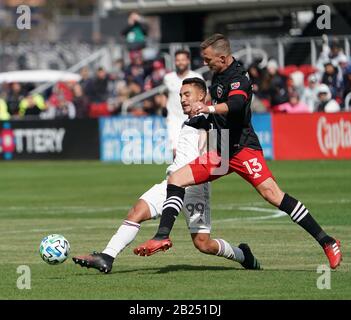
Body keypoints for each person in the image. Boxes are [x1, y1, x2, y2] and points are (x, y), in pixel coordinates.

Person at [134, 34, 342, 270]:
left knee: (273, 195)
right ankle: (162, 236)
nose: (206, 63)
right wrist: (202, 119)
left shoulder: (239, 78)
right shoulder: (218, 74)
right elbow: (219, 114)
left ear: (222, 58)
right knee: (176, 178)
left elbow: (235, 105)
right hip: (220, 150)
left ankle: (327, 241)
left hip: (243, 149)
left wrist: (208, 107)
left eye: (209, 59)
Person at [72, 78, 260, 273]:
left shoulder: (208, 118)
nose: (182, 99)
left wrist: (206, 146)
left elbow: (210, 144)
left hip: (195, 187)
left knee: (203, 244)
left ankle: (242, 255)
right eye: (180, 95)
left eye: (187, 94)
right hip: (173, 183)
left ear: (202, 96)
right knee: (137, 211)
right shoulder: (191, 120)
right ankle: (107, 256)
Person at [164, 49, 204, 158]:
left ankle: (189, 174)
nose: (180, 62)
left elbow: (205, 96)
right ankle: (176, 174)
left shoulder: (196, 77)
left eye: (183, 60)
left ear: (188, 61)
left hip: (191, 117)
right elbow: (165, 94)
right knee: (176, 151)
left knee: (193, 151)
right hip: (174, 119)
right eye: (177, 60)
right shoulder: (168, 78)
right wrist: (163, 106)